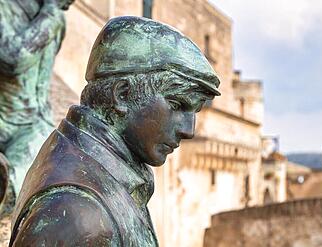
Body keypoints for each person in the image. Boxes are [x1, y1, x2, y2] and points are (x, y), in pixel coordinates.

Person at [9, 16, 220, 246]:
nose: (189, 131)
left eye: (195, 111)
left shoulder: (90, 167)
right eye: (178, 105)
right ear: (122, 95)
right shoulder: (77, 215)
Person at [0, 0, 74, 215]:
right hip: (4, 116)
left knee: (41, 166)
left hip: (32, 122)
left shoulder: (55, 17)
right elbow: (14, 59)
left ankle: (7, 186)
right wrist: (51, 11)